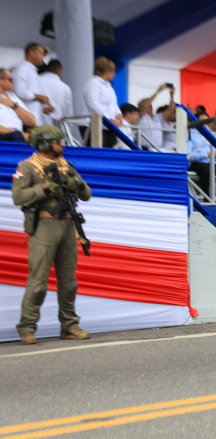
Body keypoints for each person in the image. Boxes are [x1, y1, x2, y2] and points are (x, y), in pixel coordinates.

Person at [12, 126, 92, 345]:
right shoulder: (27, 167)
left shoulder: (67, 165)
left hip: (67, 225)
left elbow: (87, 194)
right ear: (45, 143)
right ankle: (27, 327)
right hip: (44, 226)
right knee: (38, 280)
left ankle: (69, 325)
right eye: (57, 141)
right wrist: (45, 188)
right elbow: (18, 197)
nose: (62, 145)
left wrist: (78, 185)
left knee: (69, 281)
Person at [83, 57, 122, 147]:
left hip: (108, 126)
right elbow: (93, 103)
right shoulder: (93, 83)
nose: (114, 73)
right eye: (113, 71)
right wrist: (108, 118)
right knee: (97, 152)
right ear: (107, 71)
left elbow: (113, 104)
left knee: (111, 151)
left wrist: (119, 114)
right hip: (93, 125)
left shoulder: (109, 87)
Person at [12, 42, 51, 126]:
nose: (43, 57)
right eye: (41, 53)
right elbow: (19, 92)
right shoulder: (22, 69)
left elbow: (37, 94)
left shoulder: (33, 71)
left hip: (36, 120)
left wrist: (45, 106)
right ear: (31, 53)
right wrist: (39, 97)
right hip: (25, 121)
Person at [0, 67, 36, 141]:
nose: (13, 82)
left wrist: (14, 106)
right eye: (10, 79)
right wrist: (18, 134)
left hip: (18, 136)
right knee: (17, 136)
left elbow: (32, 122)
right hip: (5, 137)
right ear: (1, 81)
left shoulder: (14, 98)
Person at [38, 59, 72, 126]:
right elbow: (68, 114)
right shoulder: (65, 88)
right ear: (59, 70)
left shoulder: (37, 80)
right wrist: (69, 128)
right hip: (57, 127)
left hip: (38, 125)